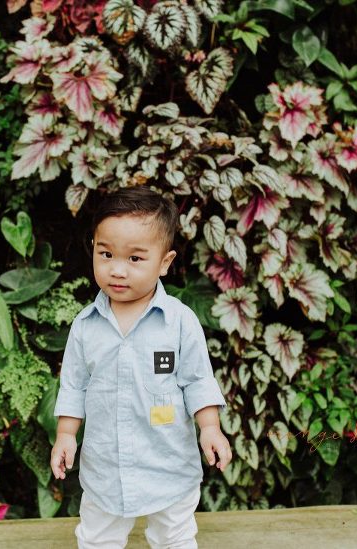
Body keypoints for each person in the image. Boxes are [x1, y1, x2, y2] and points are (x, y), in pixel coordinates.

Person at [50, 186, 232, 548]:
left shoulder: (179, 321)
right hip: (106, 467)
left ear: (164, 262)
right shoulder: (85, 326)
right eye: (106, 254)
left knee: (174, 538)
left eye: (135, 258)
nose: (117, 270)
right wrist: (66, 435)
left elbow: (197, 380)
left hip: (168, 463)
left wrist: (210, 428)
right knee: (97, 539)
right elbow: (73, 385)